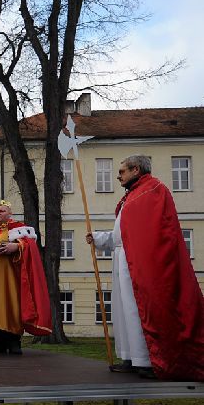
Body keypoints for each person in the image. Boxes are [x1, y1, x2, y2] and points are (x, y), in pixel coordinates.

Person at [86, 155, 204, 381]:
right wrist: (101, 238)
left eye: (122, 171)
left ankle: (149, 360)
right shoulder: (132, 196)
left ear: (136, 169)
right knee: (123, 311)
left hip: (143, 263)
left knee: (138, 309)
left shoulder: (153, 191)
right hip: (125, 260)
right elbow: (124, 235)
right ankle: (131, 357)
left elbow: (155, 233)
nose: (118, 176)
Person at [0, 200, 51, 355]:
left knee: (12, 306)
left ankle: (14, 342)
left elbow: (30, 245)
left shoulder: (19, 229)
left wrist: (17, 246)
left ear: (10, 213)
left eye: (2, 211)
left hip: (12, 277)